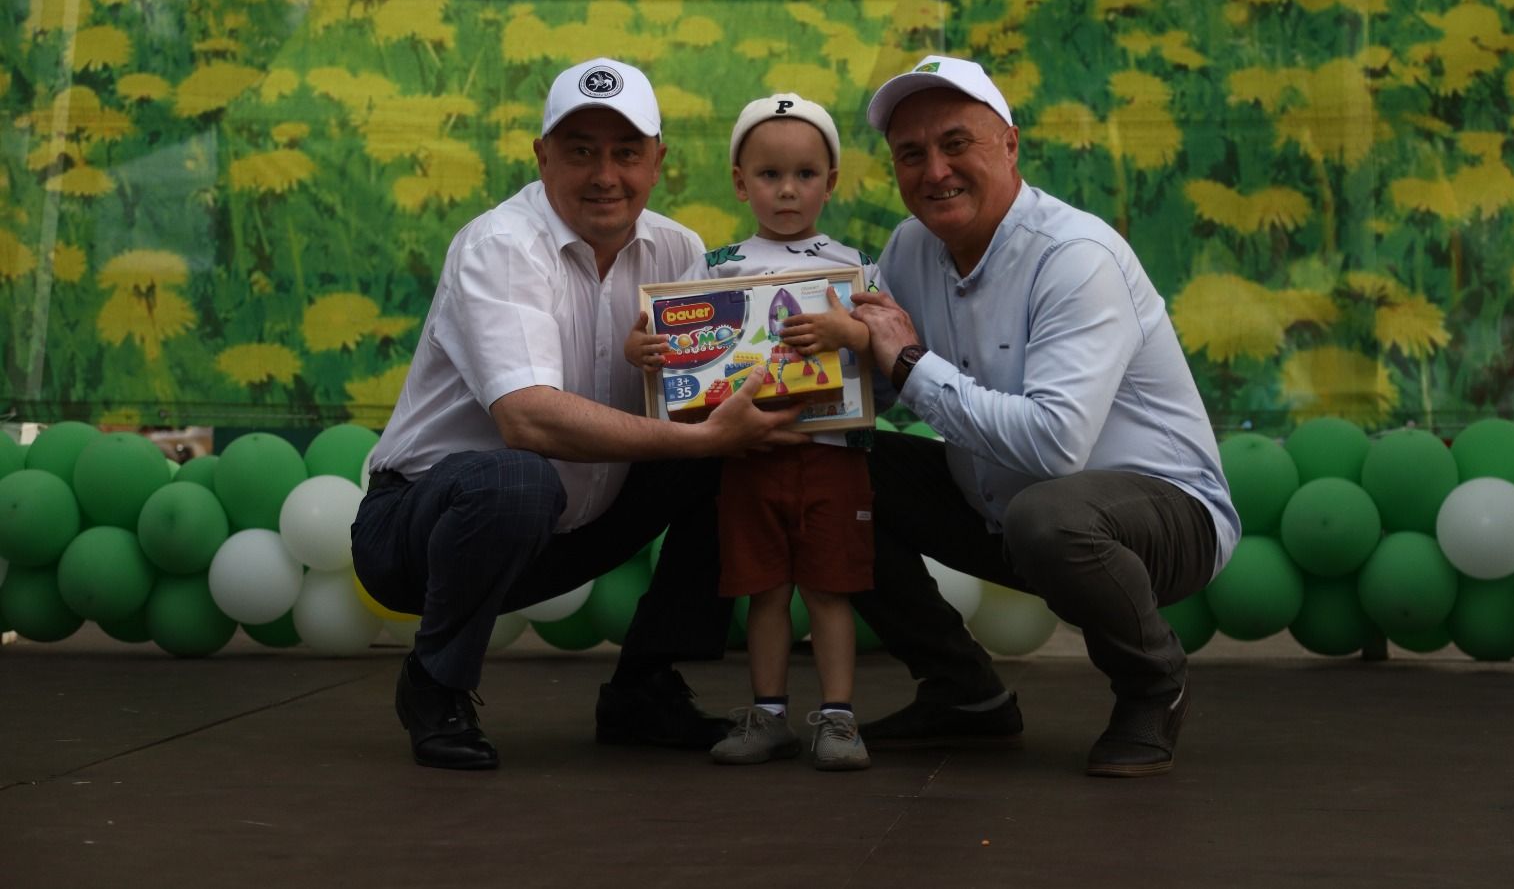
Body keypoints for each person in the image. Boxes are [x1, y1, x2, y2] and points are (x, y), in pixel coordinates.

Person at [352, 57, 804, 771]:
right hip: (420, 534)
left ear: (659, 162)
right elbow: (527, 421)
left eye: (626, 153)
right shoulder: (500, 245)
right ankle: (434, 684)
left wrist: (838, 339)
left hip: (578, 522)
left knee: (737, 452)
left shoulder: (679, 250)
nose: (605, 176)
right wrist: (704, 439)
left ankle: (645, 689)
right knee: (519, 477)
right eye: (581, 152)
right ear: (542, 157)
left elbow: (707, 396)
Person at [846, 55, 1241, 778]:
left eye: (955, 144)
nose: (935, 171)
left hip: (1163, 515)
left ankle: (1154, 686)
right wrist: (754, 369)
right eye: (911, 154)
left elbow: (1056, 446)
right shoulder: (909, 247)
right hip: (1001, 507)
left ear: (1010, 145)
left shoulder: (1076, 257)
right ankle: (963, 692)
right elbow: (879, 383)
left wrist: (906, 361)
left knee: (1048, 515)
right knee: (834, 473)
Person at [625, 94, 879, 771]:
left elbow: (887, 348)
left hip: (833, 455)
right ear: (741, 183)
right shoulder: (717, 265)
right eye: (769, 175)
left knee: (829, 589)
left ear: (832, 181)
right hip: (747, 459)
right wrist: (641, 352)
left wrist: (852, 332)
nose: (787, 190)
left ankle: (839, 719)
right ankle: (768, 716)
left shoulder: (857, 267)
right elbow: (673, 344)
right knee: (764, 590)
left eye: (805, 174)